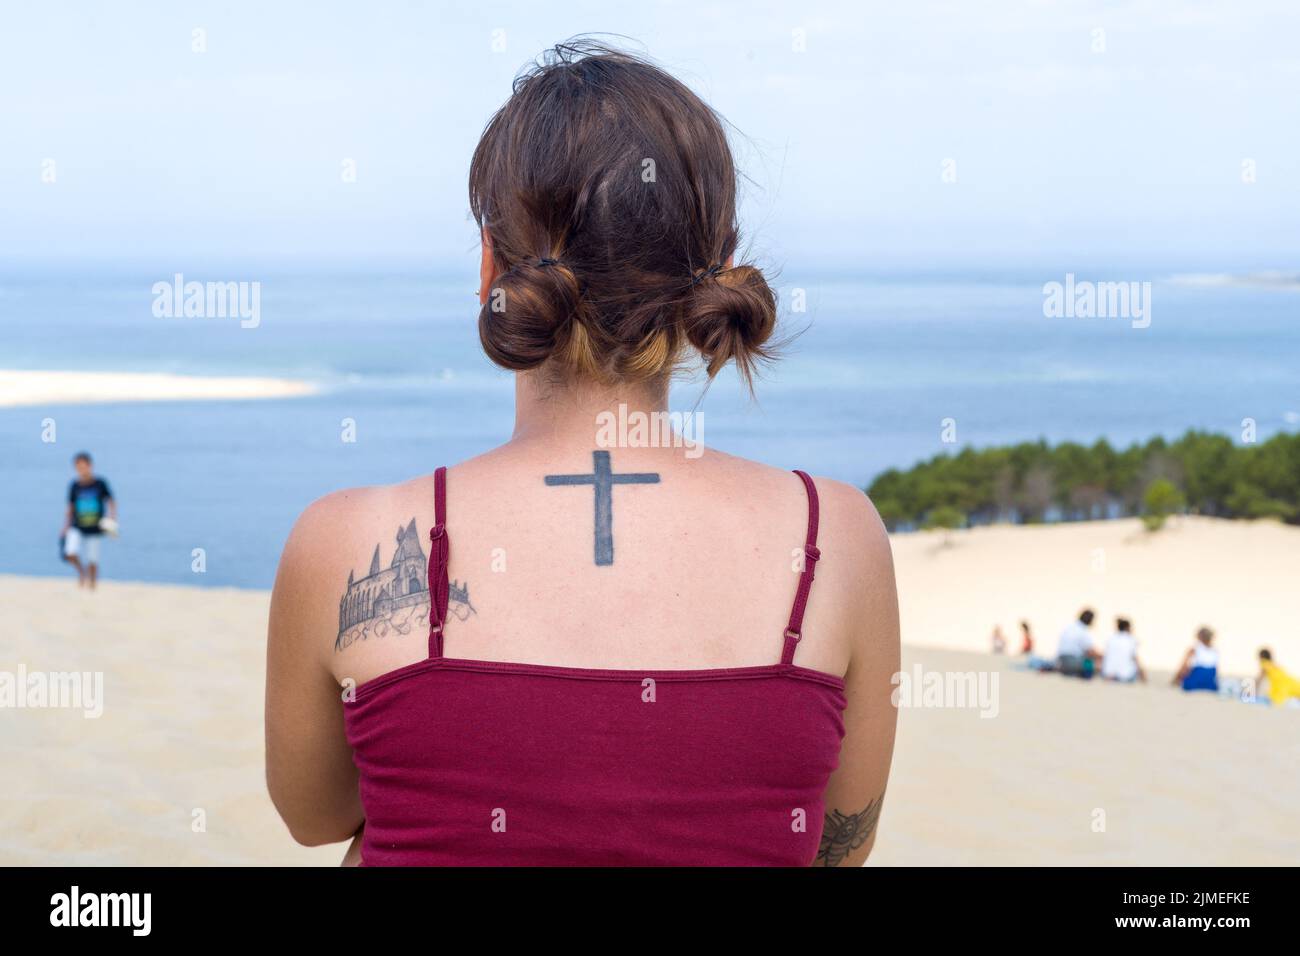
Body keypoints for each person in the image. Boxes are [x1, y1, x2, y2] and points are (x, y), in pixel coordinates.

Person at [265, 41, 900, 868]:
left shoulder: (344, 541)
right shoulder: (833, 538)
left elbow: (315, 816)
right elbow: (840, 843)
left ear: (491, 263)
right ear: (717, 265)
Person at [61, 452, 115, 590]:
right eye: (78, 467)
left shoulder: (100, 484)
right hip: (77, 525)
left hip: (95, 527)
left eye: (84, 466)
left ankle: (92, 584)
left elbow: (110, 500)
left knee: (93, 559)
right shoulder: (74, 485)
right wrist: (65, 526)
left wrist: (111, 518)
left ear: (90, 466)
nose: (82, 469)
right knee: (70, 552)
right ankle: (81, 573)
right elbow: (70, 507)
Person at [1056, 608, 1100, 678]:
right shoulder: (1083, 630)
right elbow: (1090, 651)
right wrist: (1102, 657)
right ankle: (1085, 677)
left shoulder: (1069, 627)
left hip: (1061, 661)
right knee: (1093, 663)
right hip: (1072, 662)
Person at [1172, 627, 1220, 692]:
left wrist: (1176, 678)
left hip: (1196, 679)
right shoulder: (1214, 651)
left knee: (1188, 670)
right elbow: (1216, 670)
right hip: (1210, 682)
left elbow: (1184, 665)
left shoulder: (1194, 649)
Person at [1100, 617, 1146, 683]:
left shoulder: (1111, 638)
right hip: (1125, 675)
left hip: (1107, 673)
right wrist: (1143, 675)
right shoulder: (1131, 639)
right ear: (1127, 628)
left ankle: (1112, 675)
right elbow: (1135, 658)